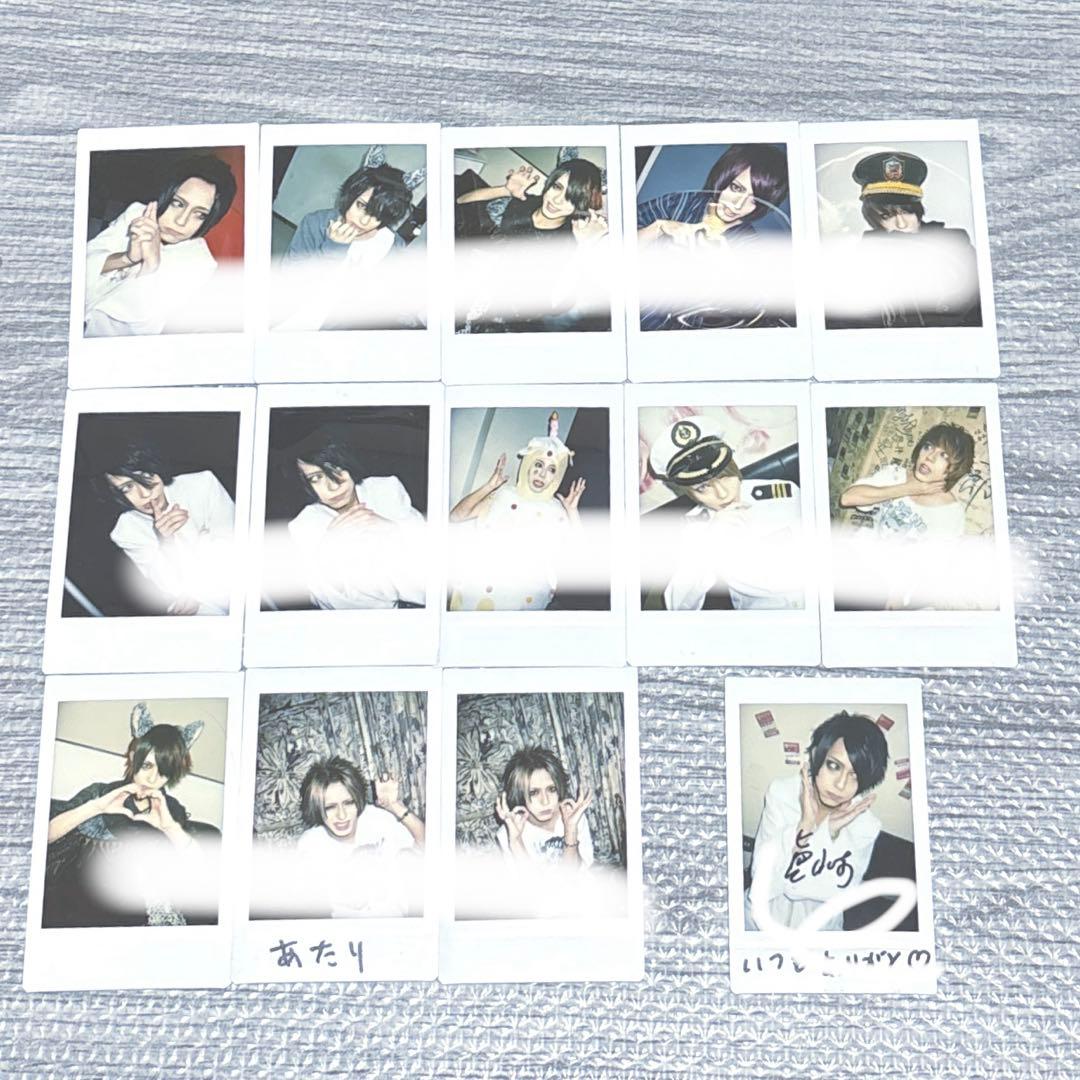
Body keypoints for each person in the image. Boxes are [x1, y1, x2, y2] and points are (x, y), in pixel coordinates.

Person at [44, 704, 215, 928]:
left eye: (164, 771)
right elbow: (45, 837)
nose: (153, 779)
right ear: (134, 758)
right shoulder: (101, 793)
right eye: (147, 765)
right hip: (81, 910)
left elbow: (202, 873)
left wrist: (170, 829)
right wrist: (97, 807)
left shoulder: (171, 810)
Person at [745, 711, 889, 932]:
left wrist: (827, 833)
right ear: (817, 757)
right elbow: (762, 882)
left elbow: (836, 895)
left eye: (854, 775)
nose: (840, 785)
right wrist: (805, 827)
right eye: (834, 766)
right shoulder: (782, 794)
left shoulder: (865, 826)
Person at [643, 416, 803, 610]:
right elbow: (677, 606)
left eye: (725, 476)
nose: (723, 494)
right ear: (688, 493)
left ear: (734, 466)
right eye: (702, 487)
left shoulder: (784, 492)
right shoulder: (695, 531)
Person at [636, 143, 792, 330]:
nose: (738, 205)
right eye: (736, 188)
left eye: (754, 200)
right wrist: (658, 228)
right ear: (723, 176)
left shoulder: (749, 245)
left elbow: (753, 309)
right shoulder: (680, 202)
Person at [83, 152, 237, 336]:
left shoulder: (200, 264)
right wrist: (127, 258)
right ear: (165, 195)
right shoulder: (136, 214)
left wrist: (150, 267)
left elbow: (135, 330)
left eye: (200, 214)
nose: (181, 221)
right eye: (177, 203)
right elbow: (82, 264)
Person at [825, 150, 982, 329]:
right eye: (886, 216)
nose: (901, 224)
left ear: (918, 211)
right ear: (873, 219)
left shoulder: (958, 250)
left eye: (907, 212)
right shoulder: (858, 261)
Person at [448, 411, 587, 611]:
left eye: (551, 469)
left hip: (521, 607)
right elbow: (455, 517)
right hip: (476, 597)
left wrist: (572, 512)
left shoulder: (557, 512)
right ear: (528, 464)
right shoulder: (503, 496)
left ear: (557, 476)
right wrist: (489, 487)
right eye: (538, 464)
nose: (542, 474)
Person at [455, 153, 609, 331]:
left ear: (582, 205)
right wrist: (505, 190)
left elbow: (554, 306)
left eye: (571, 198)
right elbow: (460, 203)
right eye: (557, 187)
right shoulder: (524, 203)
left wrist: (584, 247)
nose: (557, 200)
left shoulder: (568, 240)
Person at [276, 151, 424, 331]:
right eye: (361, 206)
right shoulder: (316, 224)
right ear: (351, 195)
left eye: (378, 215)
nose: (363, 220)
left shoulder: (393, 246)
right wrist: (333, 249)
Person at [837, 421, 975, 609]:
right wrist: (907, 488)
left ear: (954, 468)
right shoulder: (895, 475)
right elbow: (847, 498)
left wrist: (898, 594)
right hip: (855, 558)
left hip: (884, 585)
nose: (929, 457)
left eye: (943, 455)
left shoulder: (951, 512)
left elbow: (931, 566)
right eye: (928, 447)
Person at [94, 440, 236, 615]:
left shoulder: (203, 484)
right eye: (127, 488)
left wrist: (195, 589)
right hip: (195, 599)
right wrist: (166, 543)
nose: (145, 494)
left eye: (146, 475)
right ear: (114, 495)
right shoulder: (125, 531)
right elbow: (170, 588)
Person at [286, 433, 426, 609]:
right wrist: (327, 551)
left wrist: (394, 529)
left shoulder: (385, 488)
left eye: (336, 469)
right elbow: (329, 602)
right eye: (316, 478)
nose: (333, 486)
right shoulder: (305, 525)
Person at [295, 756, 425, 918]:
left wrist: (395, 806)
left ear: (358, 800)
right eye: (330, 807)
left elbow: (426, 847)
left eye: (348, 803)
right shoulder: (311, 844)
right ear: (317, 809)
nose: (342, 815)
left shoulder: (376, 818)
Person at [494, 747, 593, 869]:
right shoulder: (508, 832)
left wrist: (571, 830)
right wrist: (516, 841)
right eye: (533, 793)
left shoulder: (574, 817)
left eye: (552, 789)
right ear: (519, 795)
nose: (545, 802)